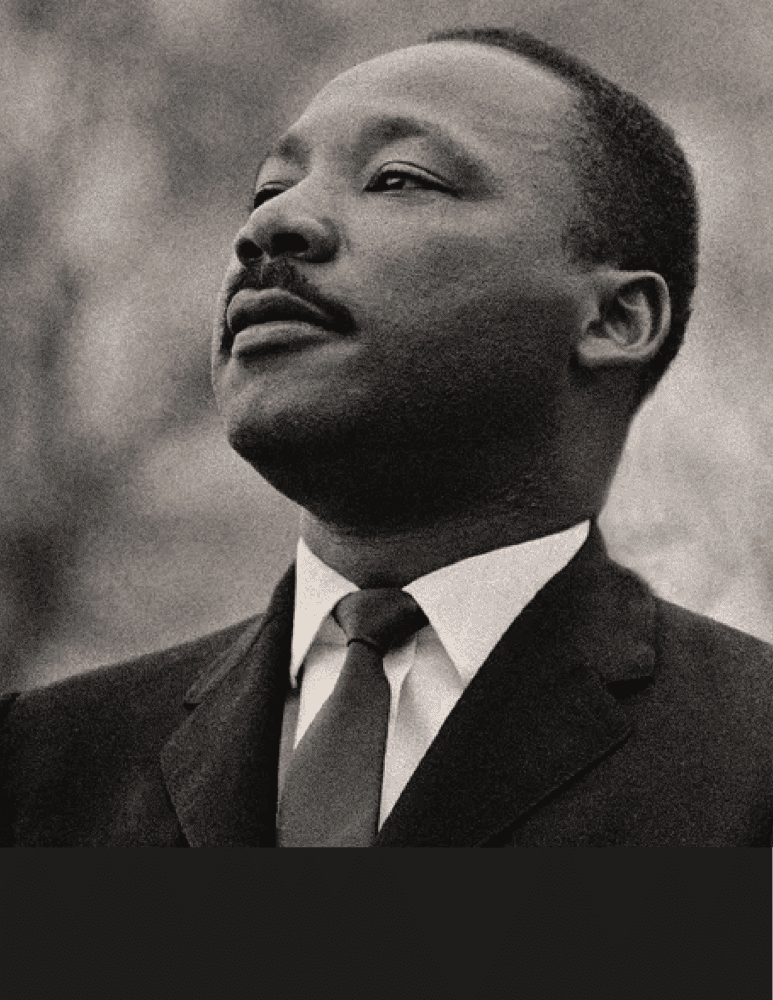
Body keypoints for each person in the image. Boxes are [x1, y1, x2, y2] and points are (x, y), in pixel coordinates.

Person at [2, 27, 771, 847]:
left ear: (615, 318)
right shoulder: (37, 767)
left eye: (398, 178)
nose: (273, 226)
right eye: (265, 192)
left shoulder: (748, 760)